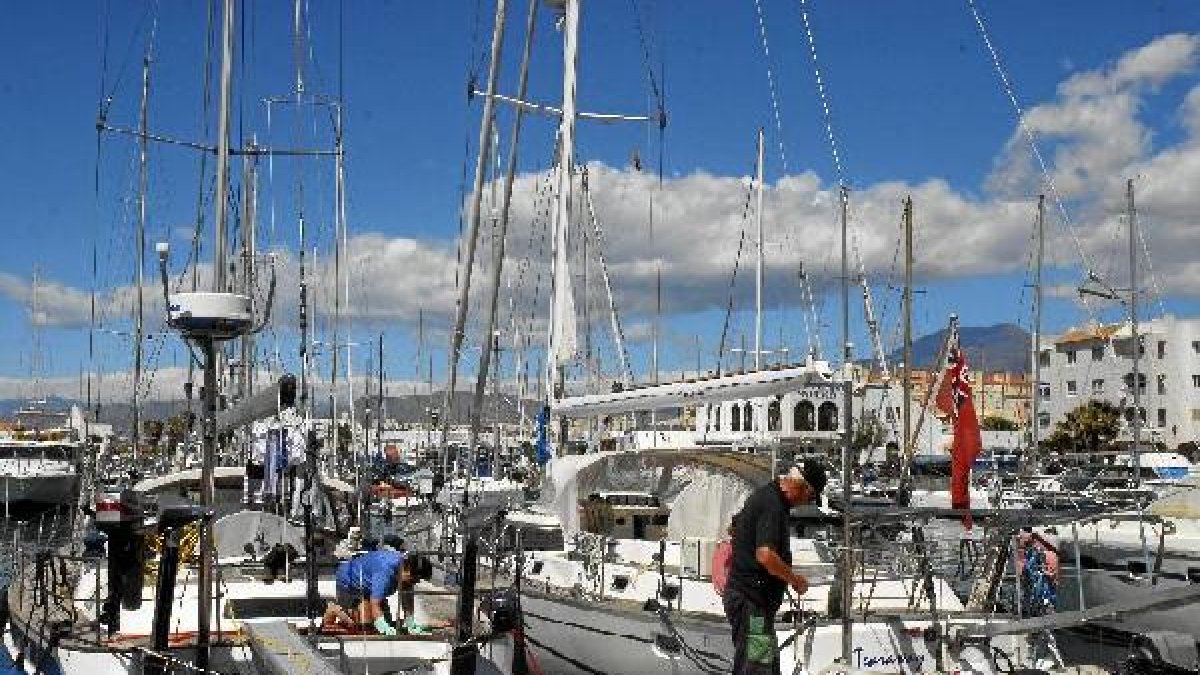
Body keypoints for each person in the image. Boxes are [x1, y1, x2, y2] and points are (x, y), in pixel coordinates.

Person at [724, 460, 825, 674]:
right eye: (811, 497)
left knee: (765, 666)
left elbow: (736, 530)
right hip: (752, 605)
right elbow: (766, 556)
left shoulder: (770, 499)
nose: (807, 502)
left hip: (755, 603)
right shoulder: (772, 504)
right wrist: (794, 580)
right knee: (757, 668)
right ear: (802, 486)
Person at [331, 549, 421, 635]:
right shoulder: (384, 570)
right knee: (364, 627)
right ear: (406, 570)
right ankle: (333, 610)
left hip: (368, 584)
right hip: (349, 582)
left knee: (387, 622)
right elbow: (375, 603)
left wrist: (410, 620)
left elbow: (407, 596)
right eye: (413, 579)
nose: (415, 583)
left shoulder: (405, 571)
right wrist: (382, 626)